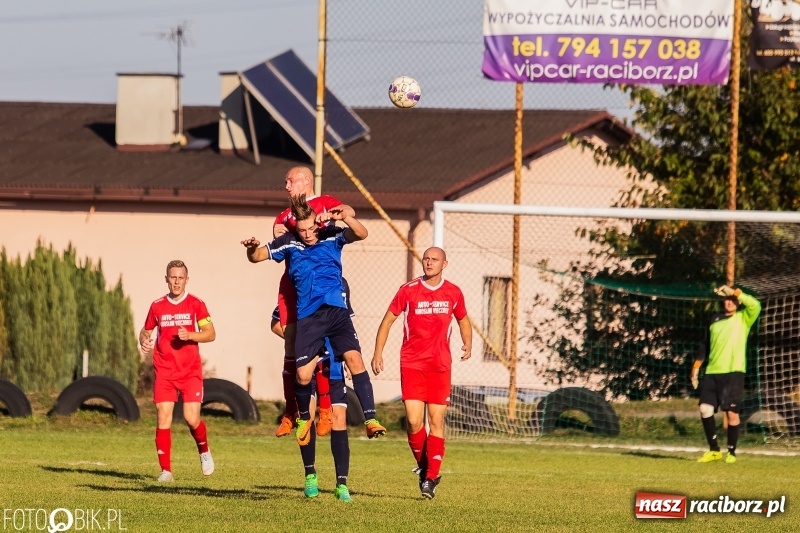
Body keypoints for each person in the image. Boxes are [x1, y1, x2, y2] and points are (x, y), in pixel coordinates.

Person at [241, 193, 385, 448]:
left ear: (317, 224)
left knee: (355, 360)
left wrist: (347, 218)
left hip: (337, 312)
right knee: (304, 375)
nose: (307, 234)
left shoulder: (332, 234)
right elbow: (256, 257)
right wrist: (252, 247)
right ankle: (304, 417)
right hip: (308, 316)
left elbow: (362, 234)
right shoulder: (288, 242)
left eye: (310, 229)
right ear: (295, 226)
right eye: (302, 229)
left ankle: (371, 419)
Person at [371, 247, 472, 499]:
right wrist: (377, 353)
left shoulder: (454, 292)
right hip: (413, 363)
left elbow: (463, 319)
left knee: (436, 421)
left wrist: (467, 342)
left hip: (439, 365)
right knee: (415, 421)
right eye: (426, 259)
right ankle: (428, 469)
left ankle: (429, 478)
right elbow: (387, 321)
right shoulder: (408, 290)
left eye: (434, 259)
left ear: (444, 264)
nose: (429, 262)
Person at [271, 166, 343, 438]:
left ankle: (324, 408)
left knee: (321, 344)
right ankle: (291, 412)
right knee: (286, 337)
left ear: (305, 181)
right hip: (293, 285)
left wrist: (340, 213)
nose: (287, 187)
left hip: (320, 287)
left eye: (290, 181)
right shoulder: (283, 216)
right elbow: (279, 246)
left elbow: (348, 211)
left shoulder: (325, 203)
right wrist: (276, 233)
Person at [139, 260, 217, 482]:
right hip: (164, 370)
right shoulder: (157, 306)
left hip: (190, 371)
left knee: (191, 418)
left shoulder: (196, 304)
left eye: (180, 277)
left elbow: (210, 333)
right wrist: (144, 340)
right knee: (163, 418)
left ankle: (203, 450)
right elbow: (145, 331)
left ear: (186, 280)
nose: (176, 281)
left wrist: (191, 335)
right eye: (172, 277)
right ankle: (166, 471)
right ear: (166, 279)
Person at [692, 284, 761, 464]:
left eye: (732, 300)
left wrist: (736, 292)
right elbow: (705, 345)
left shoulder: (744, 318)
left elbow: (755, 305)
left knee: (731, 413)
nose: (729, 302)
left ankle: (731, 452)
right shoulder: (714, 319)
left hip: (733, 372)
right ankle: (714, 450)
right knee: (704, 409)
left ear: (737, 302)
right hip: (712, 372)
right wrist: (696, 366)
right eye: (727, 299)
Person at [299, 338, 354, 502]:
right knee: (306, 415)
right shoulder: (299, 310)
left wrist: (351, 358)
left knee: (339, 418)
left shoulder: (341, 310)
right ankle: (310, 475)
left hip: (333, 367)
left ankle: (342, 484)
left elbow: (347, 332)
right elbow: (277, 325)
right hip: (306, 366)